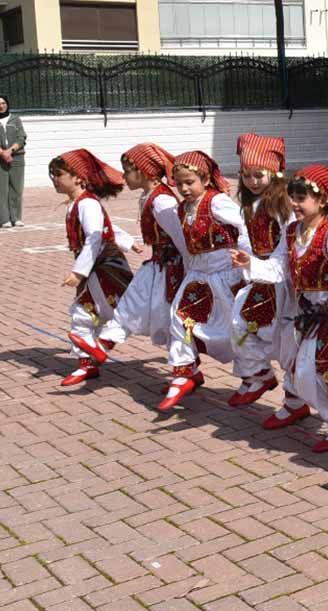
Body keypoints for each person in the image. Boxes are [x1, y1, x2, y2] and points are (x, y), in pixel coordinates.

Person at [232, 166, 328, 450]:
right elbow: (280, 265)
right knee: (296, 364)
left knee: (323, 372)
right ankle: (302, 407)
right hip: (305, 312)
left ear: (323, 201)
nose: (294, 203)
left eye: (302, 197)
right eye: (293, 196)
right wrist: (251, 263)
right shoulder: (293, 231)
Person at [160, 151, 252, 411]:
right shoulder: (183, 209)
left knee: (236, 328)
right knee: (179, 318)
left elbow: (245, 225)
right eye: (179, 184)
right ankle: (183, 372)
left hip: (225, 275)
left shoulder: (217, 202)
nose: (184, 188)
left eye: (190, 182)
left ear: (205, 178)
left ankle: (254, 375)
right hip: (198, 276)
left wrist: (247, 259)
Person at [92, 144, 185, 364]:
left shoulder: (162, 201)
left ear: (143, 172)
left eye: (127, 171)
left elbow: (181, 239)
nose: (124, 177)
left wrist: (189, 270)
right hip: (157, 264)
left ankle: (188, 369)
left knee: (169, 316)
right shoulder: (149, 195)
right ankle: (104, 343)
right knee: (132, 302)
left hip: (171, 267)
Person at [51, 150, 136, 386]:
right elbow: (104, 228)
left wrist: (78, 272)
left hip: (105, 268)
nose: (55, 180)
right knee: (83, 313)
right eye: (52, 175)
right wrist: (127, 240)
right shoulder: (79, 203)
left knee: (124, 312)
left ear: (78, 177)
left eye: (58, 174)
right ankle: (86, 364)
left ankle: (185, 363)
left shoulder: (87, 203)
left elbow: (95, 237)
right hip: (94, 268)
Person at [229, 133, 293, 408]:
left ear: (275, 173)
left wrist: (259, 266)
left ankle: (294, 399)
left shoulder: (282, 204)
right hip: (258, 275)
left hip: (281, 279)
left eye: (259, 175)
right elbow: (244, 237)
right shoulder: (247, 204)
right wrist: (245, 263)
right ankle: (259, 374)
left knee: (284, 341)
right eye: (247, 175)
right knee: (240, 324)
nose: (253, 182)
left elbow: (287, 245)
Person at [0, 96, 26, 228]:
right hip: (0, 160)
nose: (1, 106)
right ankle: (4, 219)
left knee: (16, 188)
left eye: (3, 103)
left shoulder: (15, 120)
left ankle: (16, 218)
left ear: (7, 104)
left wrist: (10, 151)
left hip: (17, 157)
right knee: (2, 189)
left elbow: (21, 137)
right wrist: (2, 153)